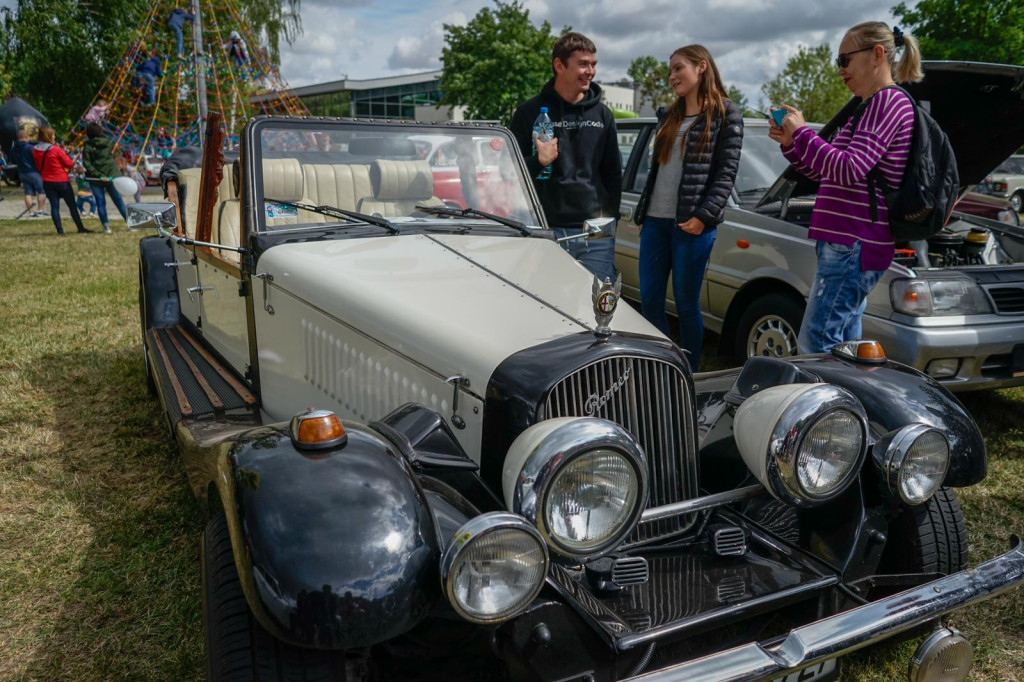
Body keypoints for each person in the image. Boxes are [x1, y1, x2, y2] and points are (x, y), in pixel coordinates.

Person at [769, 22, 919, 354]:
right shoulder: (867, 107)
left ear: (877, 55)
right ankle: (854, 404)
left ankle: (832, 407)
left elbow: (849, 169)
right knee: (847, 349)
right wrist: (792, 142)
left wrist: (804, 133)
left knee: (818, 345)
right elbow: (828, 173)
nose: (840, 71)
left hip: (852, 242)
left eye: (844, 60)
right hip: (847, 242)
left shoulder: (887, 102)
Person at [632, 45, 744, 372]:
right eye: (670, 71)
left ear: (701, 67)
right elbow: (656, 171)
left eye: (678, 68)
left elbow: (726, 174)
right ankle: (665, 365)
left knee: (686, 306)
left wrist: (702, 218)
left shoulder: (725, 113)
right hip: (655, 223)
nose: (672, 77)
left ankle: (689, 374)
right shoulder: (670, 114)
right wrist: (644, 214)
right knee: (650, 302)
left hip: (691, 227)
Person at [509, 32, 621, 283]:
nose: (590, 71)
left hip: (595, 232)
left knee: (596, 307)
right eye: (583, 64)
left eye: (593, 64)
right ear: (559, 65)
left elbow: (612, 173)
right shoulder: (529, 112)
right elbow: (509, 172)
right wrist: (539, 161)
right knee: (547, 302)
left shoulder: (603, 115)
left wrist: (609, 220)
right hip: (544, 229)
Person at [33, 126, 91, 235]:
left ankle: (60, 230)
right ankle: (80, 227)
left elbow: (38, 166)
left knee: (54, 206)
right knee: (71, 205)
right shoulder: (56, 149)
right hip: (61, 180)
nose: (54, 137)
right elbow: (69, 164)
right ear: (48, 136)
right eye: (53, 135)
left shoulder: (35, 149)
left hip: (47, 181)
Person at [82, 121, 129, 233]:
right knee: (119, 201)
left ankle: (106, 227)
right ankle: (131, 224)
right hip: (111, 176)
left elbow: (86, 163)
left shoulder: (88, 146)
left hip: (95, 178)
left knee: (100, 202)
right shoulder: (108, 142)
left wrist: (98, 175)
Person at [12, 129, 47, 217]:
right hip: (33, 171)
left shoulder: (13, 149)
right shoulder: (30, 148)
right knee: (41, 191)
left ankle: (31, 212)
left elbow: (12, 160)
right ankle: (41, 209)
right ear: (26, 137)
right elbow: (37, 159)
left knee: (28, 193)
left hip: (22, 172)